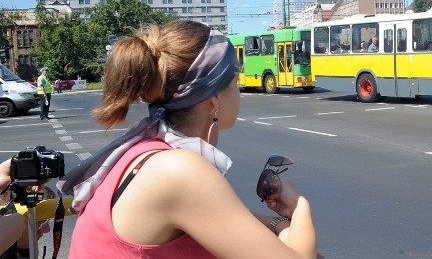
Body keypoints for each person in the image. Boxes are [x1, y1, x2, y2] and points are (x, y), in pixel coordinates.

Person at [59, 21, 317, 258]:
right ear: (214, 96)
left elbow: (219, 217)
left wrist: (277, 224)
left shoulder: (146, 148)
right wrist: (299, 206)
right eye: (234, 79)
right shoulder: (178, 170)